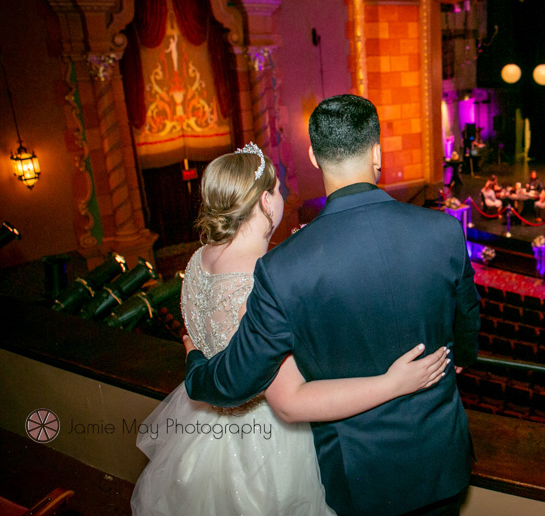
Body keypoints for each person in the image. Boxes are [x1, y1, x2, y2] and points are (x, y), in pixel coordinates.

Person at [183, 95, 481, 516]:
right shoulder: (444, 231)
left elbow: (236, 381)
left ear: (313, 157)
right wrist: (458, 358)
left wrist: (196, 365)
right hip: (440, 457)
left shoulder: (281, 267)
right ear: (377, 152)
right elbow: (467, 324)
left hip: (358, 474)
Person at [132, 144, 449, 516]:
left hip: (204, 430)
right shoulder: (261, 281)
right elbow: (291, 400)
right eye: (279, 189)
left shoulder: (200, 259)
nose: (282, 196)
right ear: (266, 202)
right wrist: (393, 383)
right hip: (266, 451)